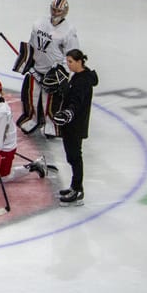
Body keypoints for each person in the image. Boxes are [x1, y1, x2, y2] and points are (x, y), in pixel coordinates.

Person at [14, 0, 79, 138]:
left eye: (59, 10)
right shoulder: (39, 23)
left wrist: (63, 72)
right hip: (37, 68)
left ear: (65, 12)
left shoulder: (69, 30)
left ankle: (51, 123)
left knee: (50, 100)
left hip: (53, 73)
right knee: (31, 95)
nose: (55, 13)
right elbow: (31, 44)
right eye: (54, 9)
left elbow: (71, 54)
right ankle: (32, 118)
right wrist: (27, 61)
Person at [53, 49, 98, 206]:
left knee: (75, 156)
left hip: (75, 126)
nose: (68, 65)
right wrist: (63, 87)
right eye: (67, 62)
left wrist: (68, 113)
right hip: (70, 125)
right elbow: (71, 95)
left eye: (71, 62)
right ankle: (74, 186)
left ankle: (78, 189)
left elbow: (77, 102)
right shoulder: (77, 77)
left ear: (79, 61)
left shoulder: (83, 81)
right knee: (72, 156)